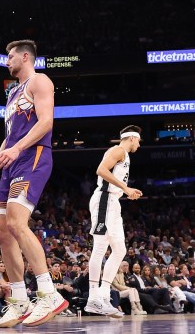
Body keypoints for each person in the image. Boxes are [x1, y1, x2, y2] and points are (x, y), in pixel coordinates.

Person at [0, 40, 65, 328]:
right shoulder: (13, 92)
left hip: (33, 156)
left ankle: (48, 293)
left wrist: (16, 150)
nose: (7, 61)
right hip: (12, 161)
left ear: (25, 56)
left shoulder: (39, 81)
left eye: (11, 56)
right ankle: (19, 301)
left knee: (17, 223)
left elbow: (46, 122)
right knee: (2, 232)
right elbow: (10, 135)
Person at [83, 125, 143, 317]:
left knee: (120, 250)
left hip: (113, 202)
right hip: (103, 200)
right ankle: (93, 298)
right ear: (132, 137)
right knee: (100, 247)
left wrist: (127, 191)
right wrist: (126, 189)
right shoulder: (118, 150)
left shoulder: (125, 156)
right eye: (139, 140)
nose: (139, 145)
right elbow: (101, 170)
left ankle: (103, 294)